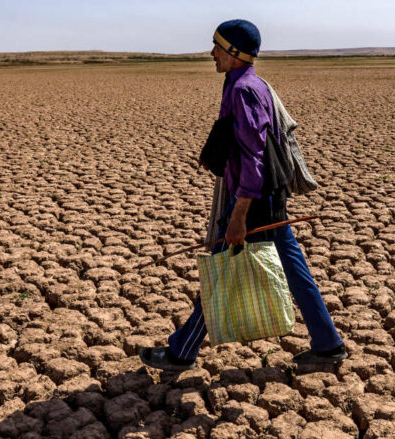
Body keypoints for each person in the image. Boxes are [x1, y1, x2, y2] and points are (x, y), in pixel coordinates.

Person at [140, 19, 347, 371]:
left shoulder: (244, 90)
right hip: (268, 198)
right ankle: (328, 345)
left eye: (217, 47)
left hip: (253, 202)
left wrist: (238, 215)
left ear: (234, 53)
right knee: (294, 270)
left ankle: (181, 353)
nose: (212, 54)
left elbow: (253, 157)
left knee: (221, 271)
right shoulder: (247, 84)